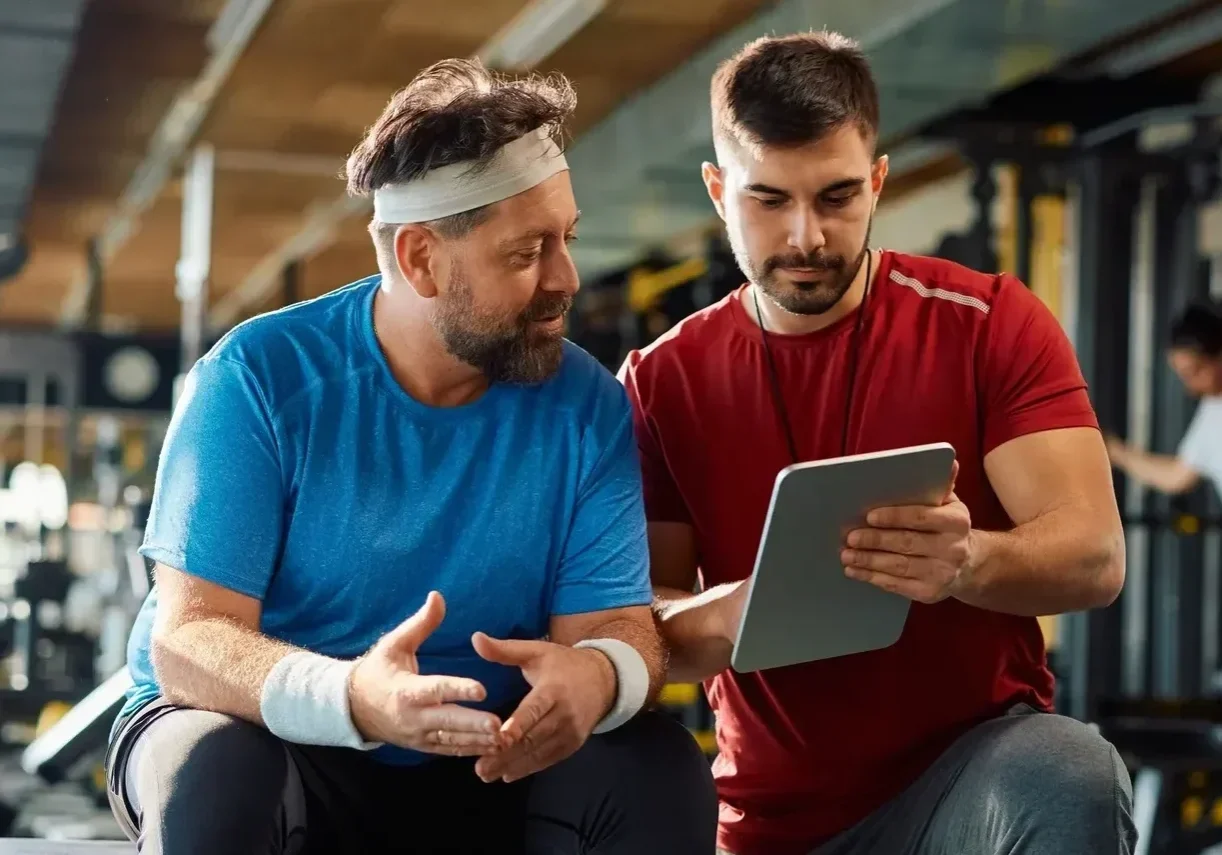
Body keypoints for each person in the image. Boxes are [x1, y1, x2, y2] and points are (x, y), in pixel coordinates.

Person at [104, 60, 717, 855]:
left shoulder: (588, 406)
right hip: (281, 738)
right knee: (215, 768)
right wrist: (352, 695)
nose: (565, 277)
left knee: (656, 765)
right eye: (526, 251)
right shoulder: (257, 378)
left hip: (488, 756)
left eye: (566, 237)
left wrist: (600, 672)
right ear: (423, 259)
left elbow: (614, 625)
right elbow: (189, 641)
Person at [618, 31, 1135, 855]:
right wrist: (735, 611)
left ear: (879, 180)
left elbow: (1096, 558)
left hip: (965, 781)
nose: (805, 238)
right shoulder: (659, 381)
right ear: (718, 191)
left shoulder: (989, 321)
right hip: (772, 814)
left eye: (836, 197)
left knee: (1071, 768)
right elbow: (633, 626)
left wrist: (972, 563)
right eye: (768, 199)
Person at [1107, 299, 1222, 498]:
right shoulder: (1213, 408)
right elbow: (1176, 476)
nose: (1190, 388)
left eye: (1195, 372)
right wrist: (1114, 451)